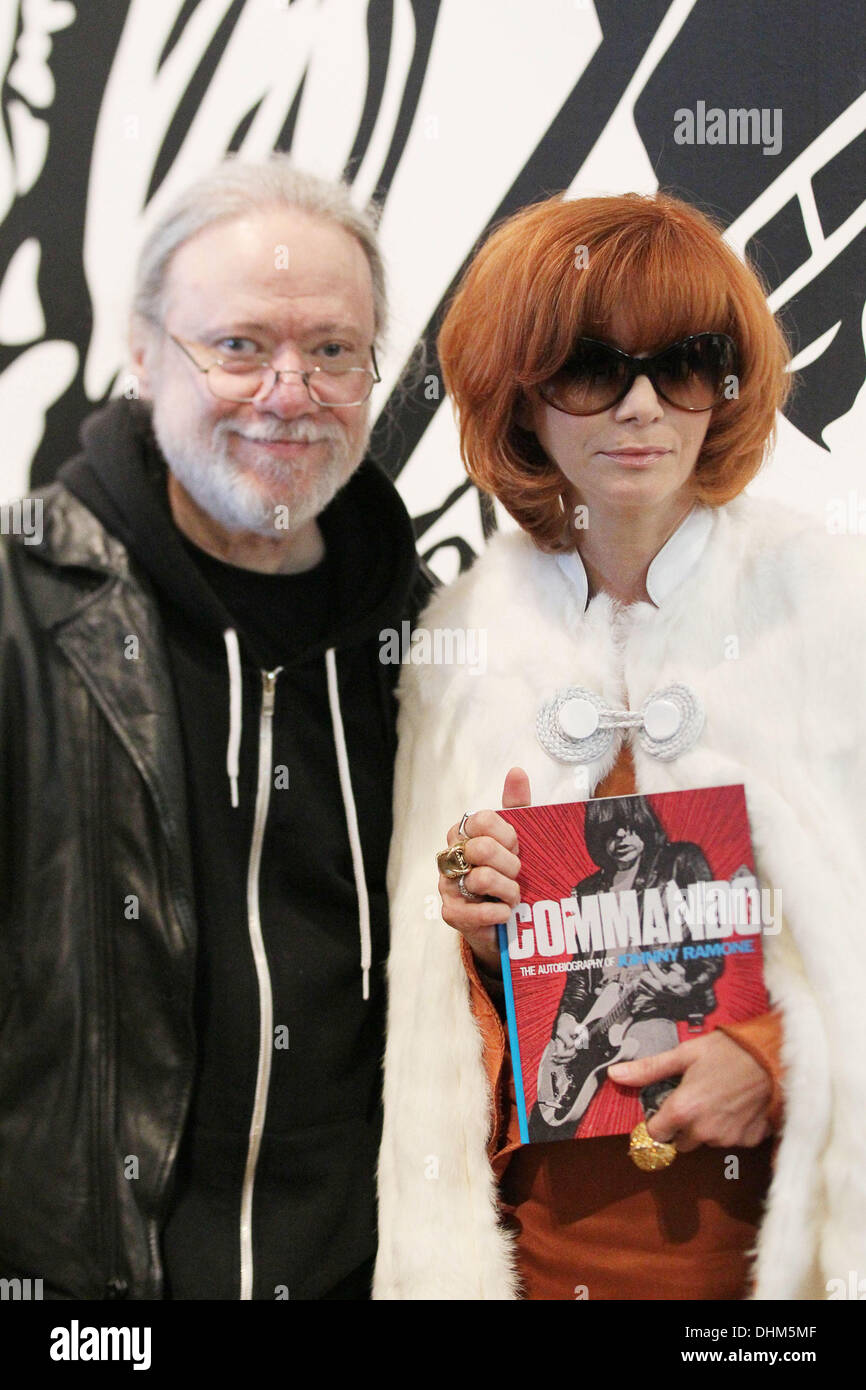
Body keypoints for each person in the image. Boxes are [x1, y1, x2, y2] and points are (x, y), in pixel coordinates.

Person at [375, 191, 866, 1300]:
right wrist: (472, 924)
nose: (641, 406)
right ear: (521, 396)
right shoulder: (459, 642)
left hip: (779, 1275)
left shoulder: (833, 609)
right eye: (592, 367)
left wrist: (779, 1063)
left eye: (685, 363)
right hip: (536, 1263)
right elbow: (431, 1030)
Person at [0, 155, 431, 1300]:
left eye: (332, 351)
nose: (288, 391)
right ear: (142, 355)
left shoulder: (430, 645)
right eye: (238, 346)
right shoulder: (25, 618)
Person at [528, 795, 722, 1143]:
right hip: (596, 1017)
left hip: (649, 1007)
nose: (620, 838)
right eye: (609, 832)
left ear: (645, 826)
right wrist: (567, 1019)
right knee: (543, 1130)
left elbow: (710, 955)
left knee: (668, 1118)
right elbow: (581, 969)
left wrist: (682, 983)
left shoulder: (678, 863)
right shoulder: (590, 890)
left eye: (630, 827)